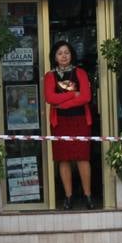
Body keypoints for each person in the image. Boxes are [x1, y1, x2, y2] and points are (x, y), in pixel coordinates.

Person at [42, 40, 95, 210]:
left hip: (80, 120)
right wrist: (73, 96)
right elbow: (50, 98)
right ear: (55, 57)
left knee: (82, 158)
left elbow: (86, 97)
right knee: (62, 159)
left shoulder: (80, 73)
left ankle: (88, 196)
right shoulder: (50, 76)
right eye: (60, 53)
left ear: (71, 54)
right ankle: (68, 197)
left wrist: (63, 102)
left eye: (66, 52)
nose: (64, 56)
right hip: (60, 123)